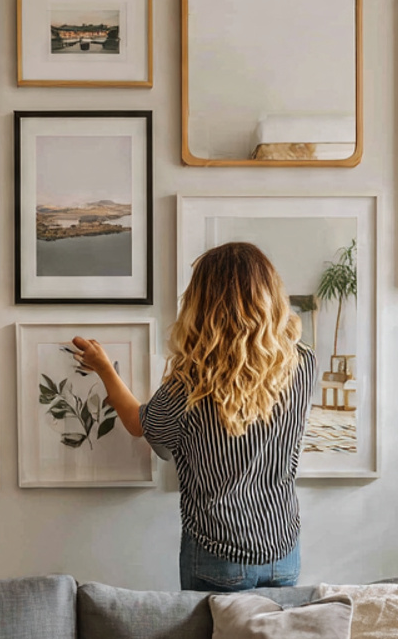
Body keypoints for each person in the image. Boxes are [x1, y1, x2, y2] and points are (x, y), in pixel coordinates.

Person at [73, 241, 315, 592]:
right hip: (283, 550)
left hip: (220, 552)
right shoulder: (303, 362)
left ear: (202, 304)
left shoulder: (192, 380)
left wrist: (105, 369)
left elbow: (140, 424)